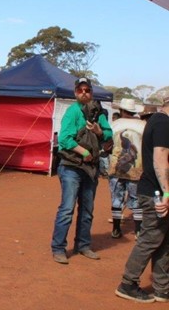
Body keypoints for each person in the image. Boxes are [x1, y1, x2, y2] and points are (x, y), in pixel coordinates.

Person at [51, 77, 112, 264]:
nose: (84, 93)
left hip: (90, 168)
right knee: (67, 208)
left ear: (91, 92)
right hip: (71, 166)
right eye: (80, 90)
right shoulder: (72, 112)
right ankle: (58, 247)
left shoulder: (98, 113)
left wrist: (98, 131)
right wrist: (84, 151)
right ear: (75, 93)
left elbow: (109, 134)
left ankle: (83, 245)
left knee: (87, 210)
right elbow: (64, 139)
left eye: (87, 90)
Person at [115, 96, 169, 303]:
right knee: (151, 237)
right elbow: (160, 159)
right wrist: (166, 193)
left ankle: (162, 287)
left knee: (163, 239)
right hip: (156, 192)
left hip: (154, 190)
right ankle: (128, 283)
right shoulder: (163, 124)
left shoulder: (156, 121)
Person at [108, 98, 146, 240]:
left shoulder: (115, 124)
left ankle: (116, 229)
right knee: (136, 199)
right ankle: (138, 231)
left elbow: (107, 145)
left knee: (116, 199)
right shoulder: (143, 125)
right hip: (137, 170)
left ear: (122, 110)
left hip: (116, 169)